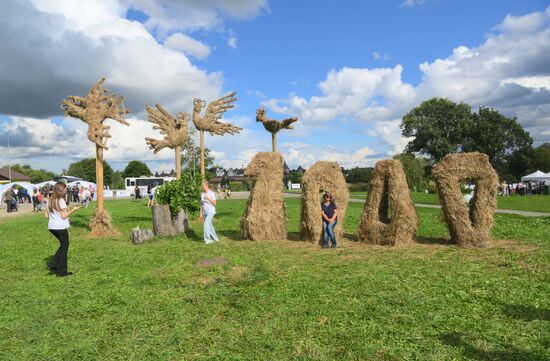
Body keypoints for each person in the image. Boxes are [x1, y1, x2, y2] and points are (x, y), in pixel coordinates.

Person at [45, 181, 80, 277]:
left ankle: (52, 264)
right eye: (65, 188)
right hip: (60, 227)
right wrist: (74, 210)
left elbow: (46, 215)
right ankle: (62, 272)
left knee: (63, 246)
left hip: (52, 227)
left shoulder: (50, 200)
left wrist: (64, 217)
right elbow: (63, 216)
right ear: (61, 190)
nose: (66, 190)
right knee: (64, 248)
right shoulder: (60, 200)